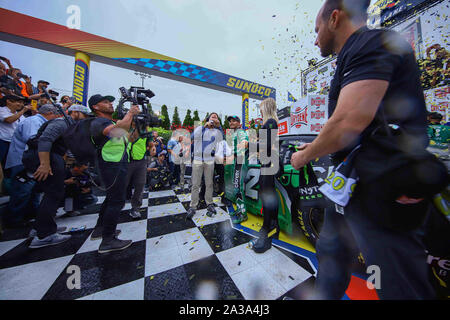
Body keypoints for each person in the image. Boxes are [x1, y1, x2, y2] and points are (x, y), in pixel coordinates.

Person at [290, 0, 437, 299]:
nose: (314, 38)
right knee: (330, 257)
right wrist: (317, 144)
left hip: (384, 187)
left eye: (316, 29)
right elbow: (356, 121)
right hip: (350, 185)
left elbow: (348, 121)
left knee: (397, 285)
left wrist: (303, 156)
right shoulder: (354, 53)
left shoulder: (371, 42)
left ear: (334, 18)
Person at [88, 93, 140, 253]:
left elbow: (131, 139)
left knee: (112, 199)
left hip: (117, 163)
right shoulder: (98, 122)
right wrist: (130, 113)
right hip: (111, 164)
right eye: (105, 102)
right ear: (95, 107)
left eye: (111, 101)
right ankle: (108, 240)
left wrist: (135, 123)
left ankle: (100, 229)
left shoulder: (110, 121)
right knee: (117, 201)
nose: (111, 104)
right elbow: (115, 132)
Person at [2, 104, 59, 228]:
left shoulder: (40, 121)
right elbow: (34, 140)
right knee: (22, 191)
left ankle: (32, 218)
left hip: (34, 162)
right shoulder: (33, 121)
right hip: (23, 162)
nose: (57, 117)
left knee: (34, 192)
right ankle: (14, 221)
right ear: (50, 113)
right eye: (56, 114)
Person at [25, 106, 73, 248]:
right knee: (53, 193)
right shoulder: (61, 122)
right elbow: (45, 140)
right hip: (46, 158)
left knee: (51, 194)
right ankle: (44, 235)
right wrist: (44, 164)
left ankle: (40, 227)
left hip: (50, 157)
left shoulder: (69, 125)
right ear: (75, 113)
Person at [249, 99, 279, 253]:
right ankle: (271, 225)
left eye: (261, 108)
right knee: (266, 192)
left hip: (270, 162)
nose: (260, 111)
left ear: (266, 108)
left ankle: (267, 228)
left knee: (267, 193)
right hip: (267, 161)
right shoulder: (269, 123)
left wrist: (251, 144)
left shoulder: (271, 122)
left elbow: (267, 145)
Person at [187, 112, 224, 219]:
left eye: (216, 117)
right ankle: (193, 206)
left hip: (209, 160)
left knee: (209, 184)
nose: (214, 118)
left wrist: (219, 126)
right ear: (208, 119)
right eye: (212, 116)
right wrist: (204, 127)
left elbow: (222, 140)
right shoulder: (200, 128)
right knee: (195, 184)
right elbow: (192, 137)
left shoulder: (217, 131)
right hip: (198, 159)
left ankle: (209, 203)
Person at [226, 115, 249, 224]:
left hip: (240, 160)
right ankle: (238, 210)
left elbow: (245, 142)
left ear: (239, 123)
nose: (231, 122)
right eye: (230, 121)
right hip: (236, 162)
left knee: (238, 188)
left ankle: (243, 214)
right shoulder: (233, 133)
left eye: (234, 121)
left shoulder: (240, 132)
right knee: (236, 188)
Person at [125, 126, 150, 219]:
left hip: (142, 161)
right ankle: (113, 207)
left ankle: (135, 208)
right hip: (128, 161)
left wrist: (151, 148)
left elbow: (149, 144)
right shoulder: (128, 129)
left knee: (140, 185)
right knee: (122, 185)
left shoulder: (146, 131)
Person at [0, 95, 30, 168]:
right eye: (19, 102)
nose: (21, 105)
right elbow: (9, 120)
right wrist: (23, 111)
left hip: (13, 143)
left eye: (22, 103)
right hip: (2, 141)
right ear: (8, 101)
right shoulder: (2, 110)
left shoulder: (19, 114)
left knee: (7, 165)